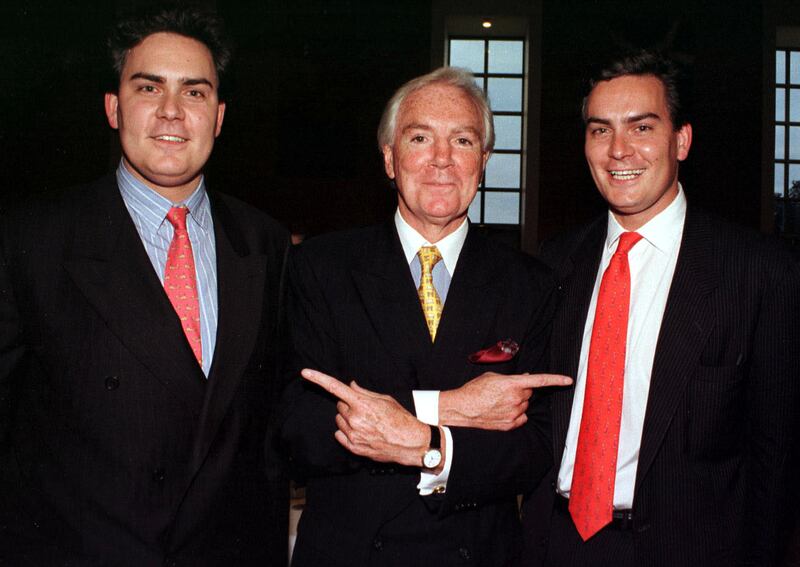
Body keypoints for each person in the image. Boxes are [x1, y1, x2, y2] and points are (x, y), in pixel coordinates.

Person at [0, 7, 290, 566]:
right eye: (149, 87)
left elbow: (269, 435)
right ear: (113, 107)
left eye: (195, 93)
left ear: (220, 116)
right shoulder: (31, 242)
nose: (171, 113)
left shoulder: (265, 243)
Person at [279, 66, 571, 566]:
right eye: (420, 138)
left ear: (483, 161)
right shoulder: (322, 268)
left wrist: (425, 446)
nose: (441, 160)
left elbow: (536, 448)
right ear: (390, 159)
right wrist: (448, 409)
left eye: (461, 140)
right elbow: (299, 431)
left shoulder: (532, 283)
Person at [521, 50, 800, 567]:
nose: (618, 151)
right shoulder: (555, 263)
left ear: (682, 140)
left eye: (641, 127)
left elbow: (776, 462)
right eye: (600, 130)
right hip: (552, 545)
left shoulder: (760, 272)